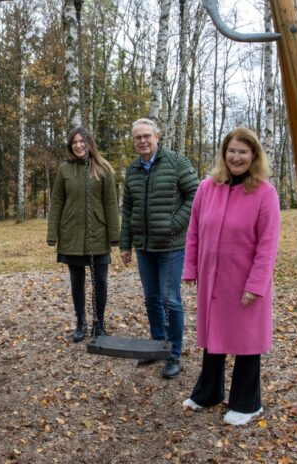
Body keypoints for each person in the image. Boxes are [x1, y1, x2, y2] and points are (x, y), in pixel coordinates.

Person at [181, 127, 280, 425]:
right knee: (214, 338)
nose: (237, 157)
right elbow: (194, 232)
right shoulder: (207, 187)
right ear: (224, 154)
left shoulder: (265, 192)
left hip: (245, 281)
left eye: (243, 152)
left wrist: (256, 285)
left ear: (254, 156)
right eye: (232, 151)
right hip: (213, 279)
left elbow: (268, 244)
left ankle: (248, 403)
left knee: (246, 342)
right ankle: (208, 393)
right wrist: (191, 268)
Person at [119, 118, 199, 378]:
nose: (142, 141)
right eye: (137, 137)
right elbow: (128, 209)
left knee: (171, 300)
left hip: (171, 247)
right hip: (144, 247)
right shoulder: (132, 170)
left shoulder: (177, 163)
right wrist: (125, 245)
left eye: (146, 136)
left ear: (157, 137)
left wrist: (175, 224)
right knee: (152, 298)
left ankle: (173, 353)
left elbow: (195, 195)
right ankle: (156, 346)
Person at [47, 127, 120, 342]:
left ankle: (99, 324)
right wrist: (52, 234)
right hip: (71, 236)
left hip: (98, 234)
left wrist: (114, 236)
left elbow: (110, 204)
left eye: (83, 141)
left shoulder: (104, 169)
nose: (79, 145)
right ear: (71, 146)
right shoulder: (64, 170)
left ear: (90, 144)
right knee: (76, 282)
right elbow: (57, 203)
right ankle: (81, 323)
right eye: (75, 142)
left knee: (100, 283)